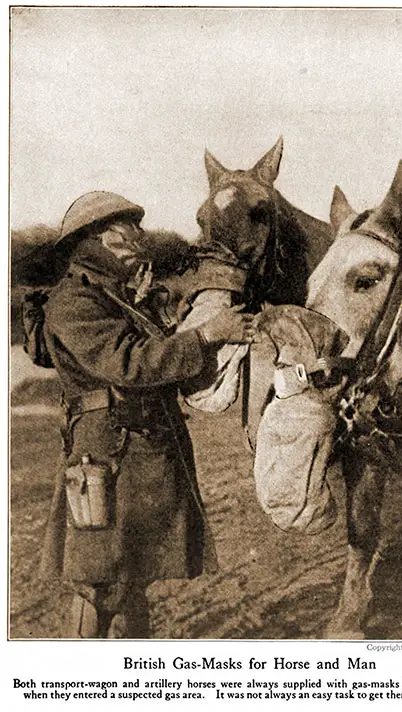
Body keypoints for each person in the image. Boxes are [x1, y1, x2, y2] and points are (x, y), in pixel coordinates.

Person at [40, 191, 254, 638]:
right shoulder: (73, 301)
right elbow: (128, 362)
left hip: (131, 450)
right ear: (98, 238)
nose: (139, 235)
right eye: (128, 227)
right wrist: (208, 335)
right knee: (102, 583)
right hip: (108, 455)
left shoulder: (116, 295)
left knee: (129, 576)